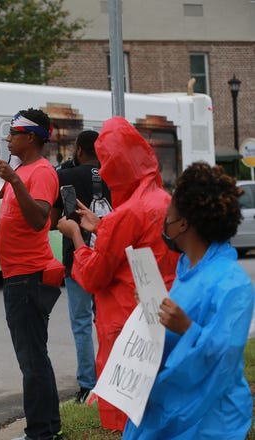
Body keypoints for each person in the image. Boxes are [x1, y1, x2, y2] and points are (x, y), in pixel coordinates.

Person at [56, 116, 179, 432]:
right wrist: (102, 227)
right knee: (160, 404)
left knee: (131, 417)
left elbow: (95, 275)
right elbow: (139, 247)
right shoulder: (162, 200)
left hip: (126, 323)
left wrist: (76, 237)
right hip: (160, 313)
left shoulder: (127, 213)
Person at [123, 162, 254, 439]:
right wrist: (152, 307)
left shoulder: (233, 283)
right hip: (167, 407)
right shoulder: (186, 270)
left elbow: (223, 357)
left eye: (168, 214)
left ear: (184, 223)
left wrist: (185, 327)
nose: (164, 221)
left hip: (207, 420)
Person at [0, 108, 65, 440]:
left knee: (32, 363)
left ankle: (39, 434)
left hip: (28, 277)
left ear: (30, 137)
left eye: (13, 131)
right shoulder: (22, 170)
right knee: (36, 358)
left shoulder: (41, 172)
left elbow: (40, 221)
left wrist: (15, 179)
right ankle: (49, 428)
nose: (8, 137)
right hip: (18, 276)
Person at [50, 130, 109, 404]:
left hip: (78, 259)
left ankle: (88, 385)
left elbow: (56, 218)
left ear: (79, 149)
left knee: (82, 323)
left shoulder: (65, 177)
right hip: (109, 259)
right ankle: (113, 380)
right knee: (108, 321)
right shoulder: (113, 176)